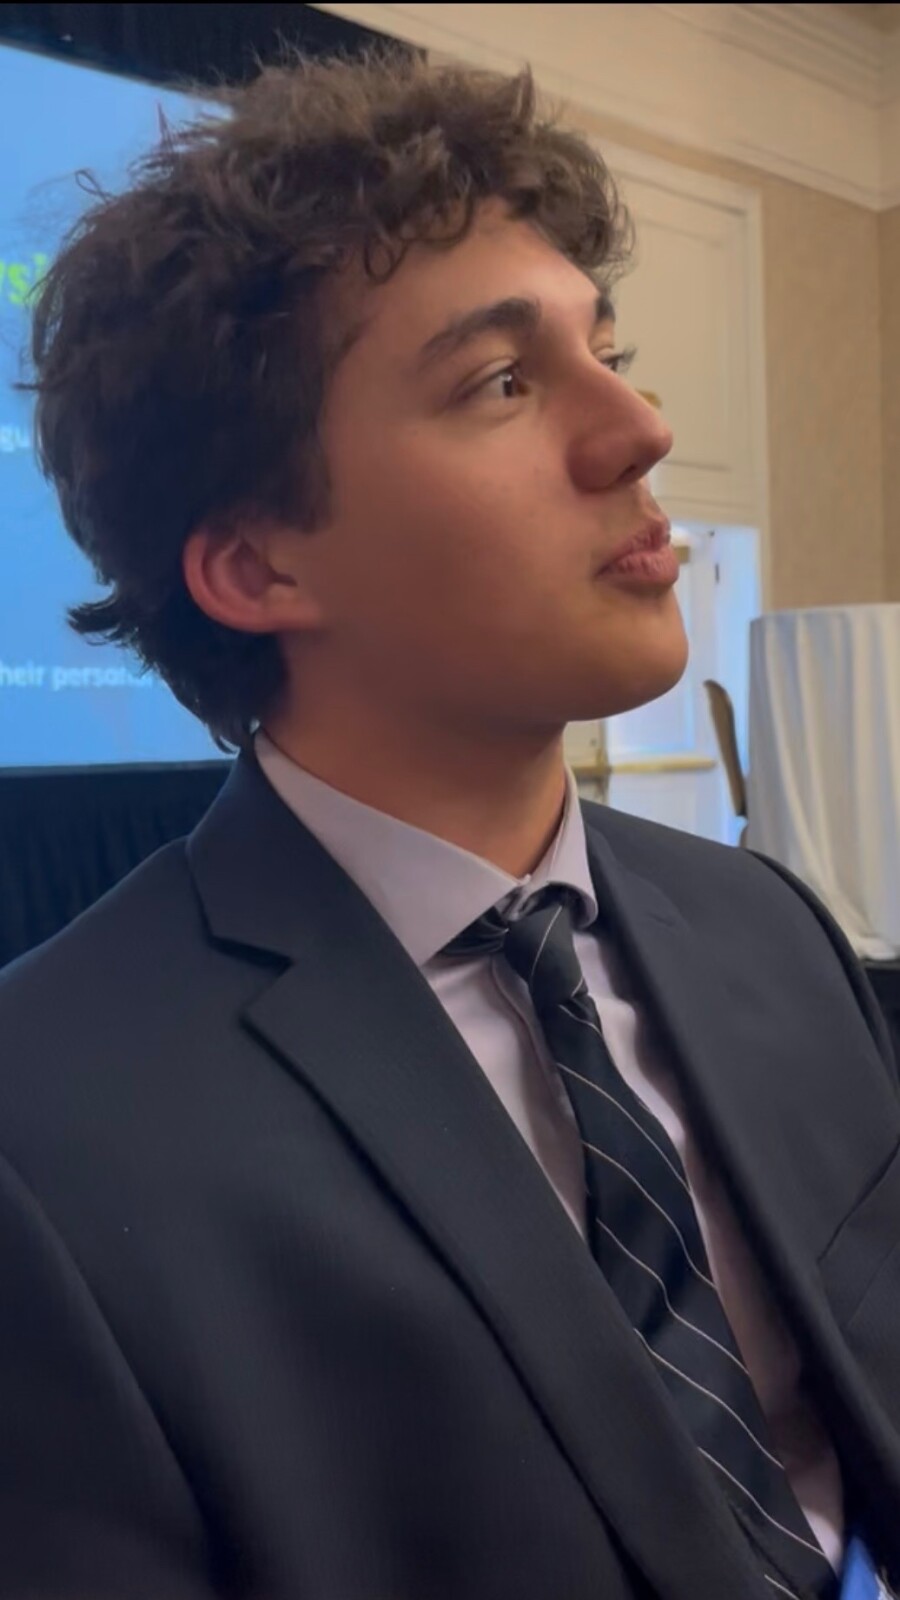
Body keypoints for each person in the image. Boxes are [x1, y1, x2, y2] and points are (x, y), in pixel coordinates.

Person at [2, 41, 899, 1600]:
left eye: (609, 349)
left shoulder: (772, 925)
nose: (639, 430)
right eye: (501, 382)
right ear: (261, 568)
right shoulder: (45, 1133)